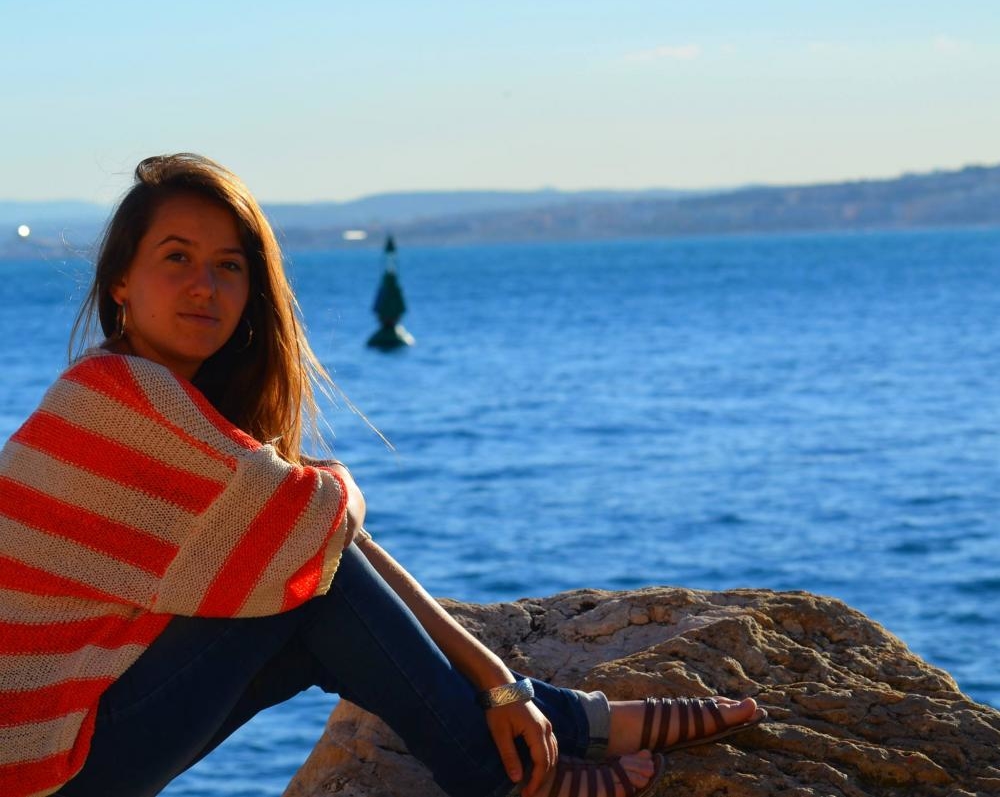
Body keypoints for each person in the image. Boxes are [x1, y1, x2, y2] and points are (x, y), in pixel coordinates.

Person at [0, 154, 764, 797]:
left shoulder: (145, 396)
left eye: (229, 265)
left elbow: (330, 542)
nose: (206, 284)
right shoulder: (118, 398)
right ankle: (516, 770)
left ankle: (565, 723)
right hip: (44, 768)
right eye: (177, 257)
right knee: (309, 571)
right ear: (120, 282)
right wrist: (493, 676)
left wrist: (503, 684)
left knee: (310, 592)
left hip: (67, 747)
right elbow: (325, 524)